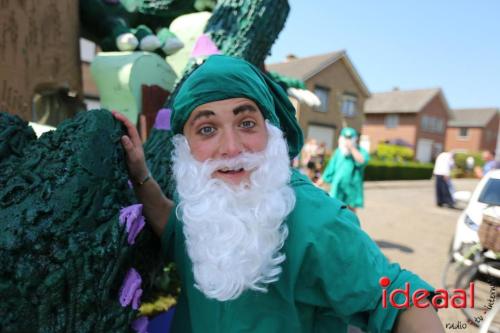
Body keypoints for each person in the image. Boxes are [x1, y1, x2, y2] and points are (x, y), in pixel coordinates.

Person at [113, 55, 443, 333]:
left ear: (271, 132)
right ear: (185, 146)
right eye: (207, 129)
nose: (231, 148)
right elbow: (175, 227)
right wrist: (140, 174)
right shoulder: (204, 200)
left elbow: (402, 301)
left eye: (246, 123)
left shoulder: (316, 218)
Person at [317, 127, 370, 213]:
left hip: (352, 190)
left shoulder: (360, 151)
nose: (347, 140)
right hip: (337, 188)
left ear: (355, 139)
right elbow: (330, 169)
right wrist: (319, 183)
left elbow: (362, 161)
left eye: (349, 138)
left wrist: (352, 148)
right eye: (345, 138)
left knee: (350, 215)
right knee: (334, 211)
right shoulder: (338, 152)